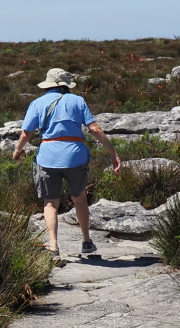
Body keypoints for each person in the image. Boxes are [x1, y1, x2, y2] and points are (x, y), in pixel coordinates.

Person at [12, 68, 121, 259]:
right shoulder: (77, 101)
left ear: (47, 85)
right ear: (66, 85)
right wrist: (113, 152)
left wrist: (17, 150)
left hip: (48, 156)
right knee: (79, 198)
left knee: (50, 203)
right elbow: (94, 129)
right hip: (75, 156)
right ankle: (86, 241)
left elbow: (25, 134)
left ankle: (53, 246)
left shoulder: (37, 103)